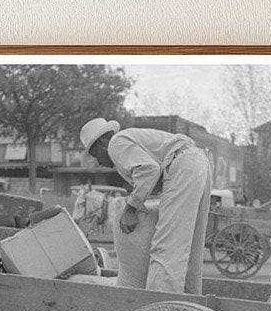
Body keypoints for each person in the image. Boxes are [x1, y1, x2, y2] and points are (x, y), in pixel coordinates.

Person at [80, 118, 212, 294]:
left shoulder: (115, 144)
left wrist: (130, 208)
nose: (100, 162)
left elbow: (149, 170)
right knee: (190, 247)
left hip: (183, 165)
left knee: (166, 246)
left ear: (102, 142)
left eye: (96, 155)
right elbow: (154, 176)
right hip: (198, 162)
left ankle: (160, 306)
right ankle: (191, 300)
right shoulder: (130, 140)